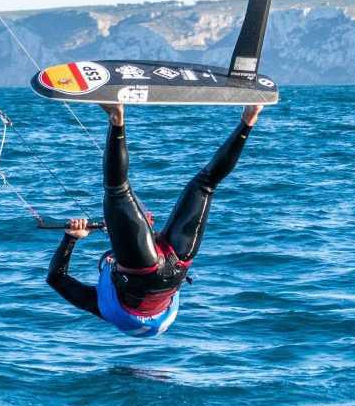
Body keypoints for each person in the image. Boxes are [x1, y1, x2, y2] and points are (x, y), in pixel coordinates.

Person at [46, 102, 263, 336]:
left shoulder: (156, 314)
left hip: (179, 263)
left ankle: (249, 119)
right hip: (143, 272)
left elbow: (148, 246)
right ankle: (117, 118)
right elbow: (55, 278)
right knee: (117, 190)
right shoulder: (99, 304)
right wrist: (70, 238)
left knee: (206, 183)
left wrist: (116, 228)